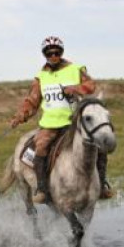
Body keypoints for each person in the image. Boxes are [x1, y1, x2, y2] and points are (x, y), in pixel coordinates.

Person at [9, 36, 109, 204]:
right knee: (40, 148)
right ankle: (42, 189)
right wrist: (19, 116)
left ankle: (102, 186)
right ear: (45, 55)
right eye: (49, 53)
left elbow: (91, 86)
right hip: (50, 124)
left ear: (61, 52)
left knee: (99, 146)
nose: (53, 55)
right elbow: (32, 101)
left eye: (56, 52)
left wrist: (75, 88)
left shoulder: (75, 69)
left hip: (73, 123)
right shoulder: (41, 77)